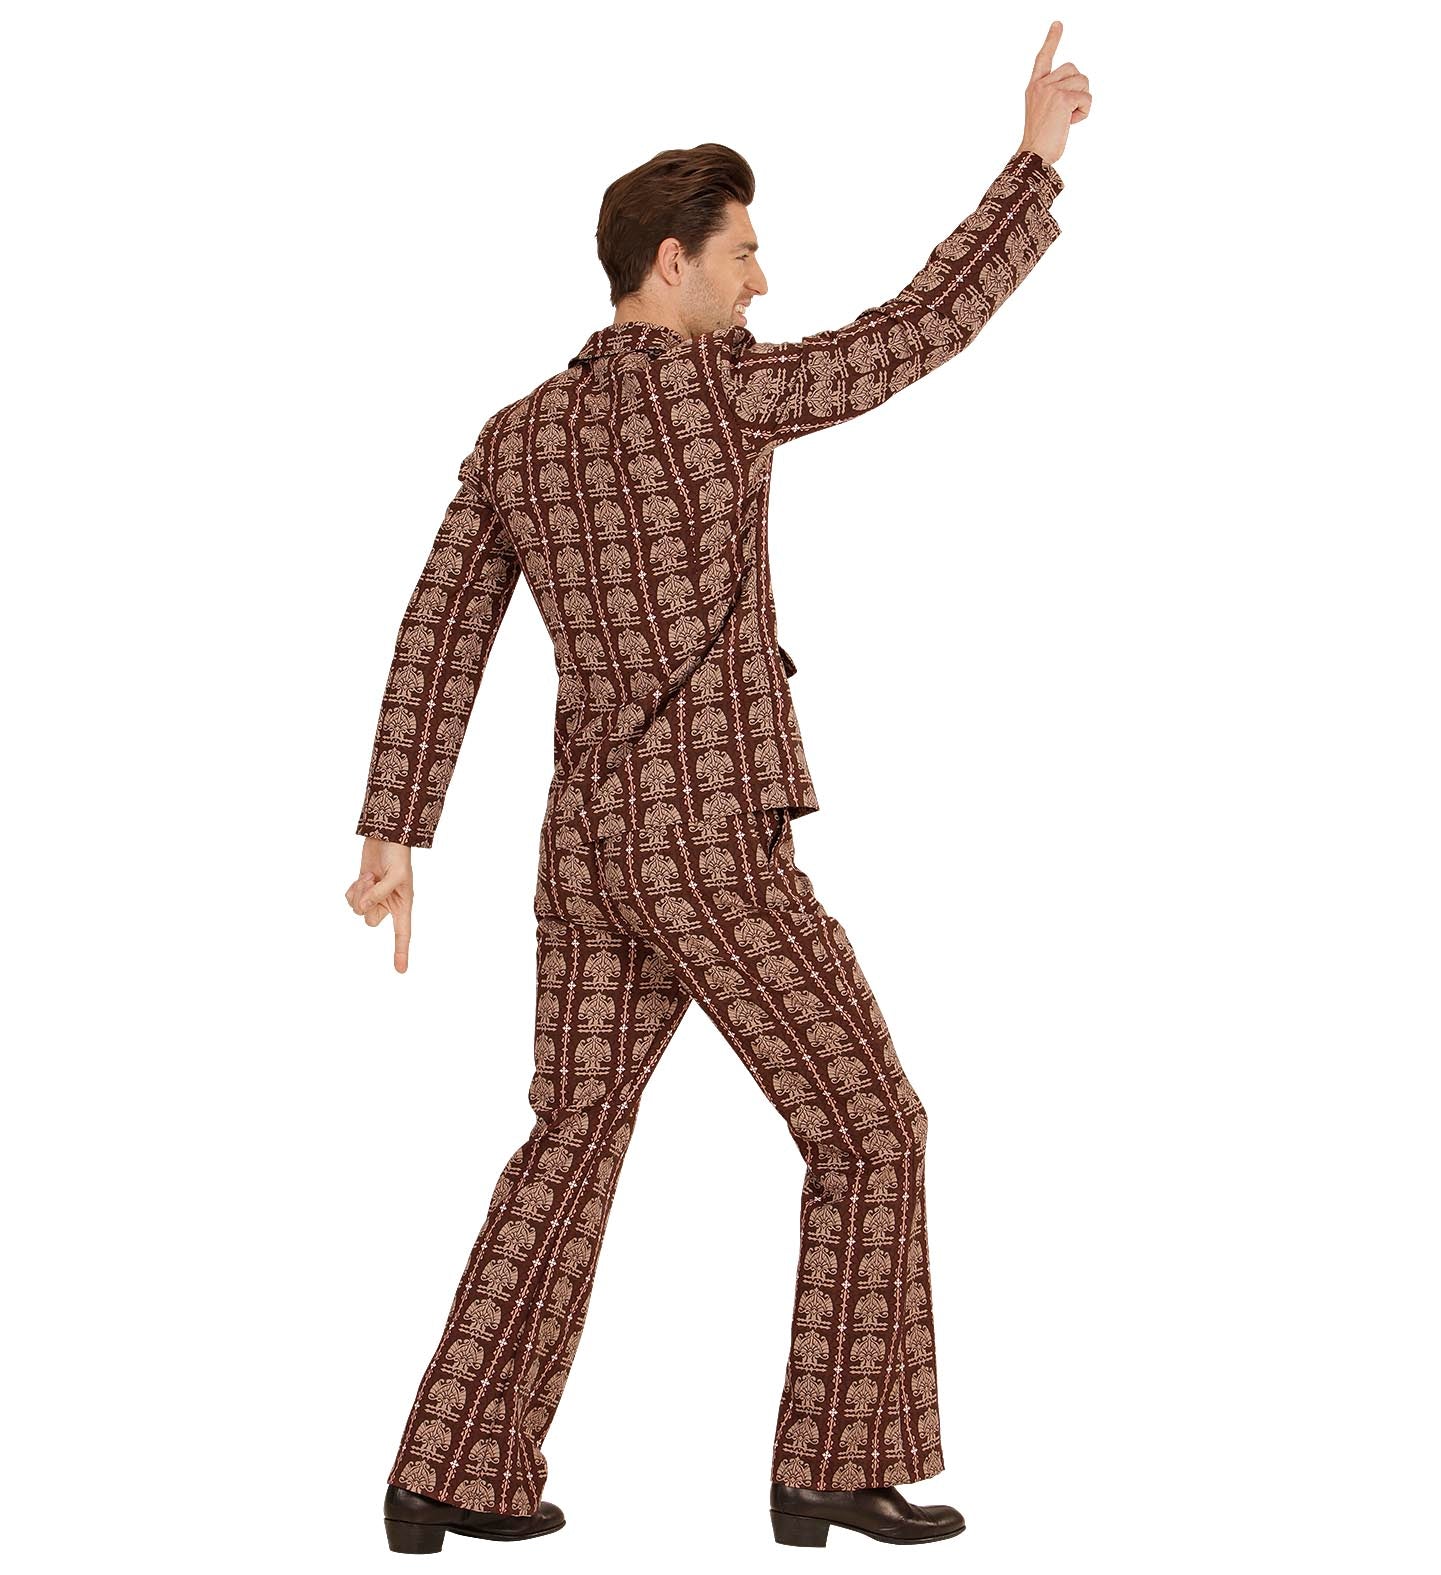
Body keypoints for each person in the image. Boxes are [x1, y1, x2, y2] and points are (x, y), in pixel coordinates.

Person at [348, 20, 1089, 1552]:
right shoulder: (713, 396)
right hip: (708, 845)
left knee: (568, 1142)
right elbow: (915, 330)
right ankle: (830, 1463)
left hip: (584, 854)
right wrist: (1030, 162)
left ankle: (448, 1472)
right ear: (669, 263)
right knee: (870, 1131)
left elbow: (440, 628)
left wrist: (392, 830)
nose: (762, 281)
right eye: (743, 253)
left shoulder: (518, 436)